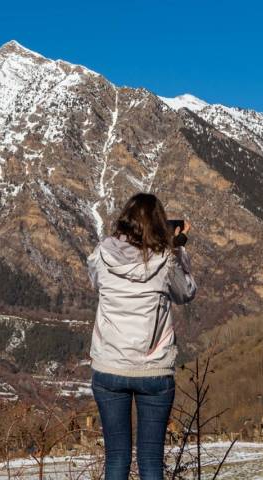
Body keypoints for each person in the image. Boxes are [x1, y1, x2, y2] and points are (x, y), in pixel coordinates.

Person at [87, 192, 197, 480]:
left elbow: (95, 281)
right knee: (150, 462)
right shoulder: (165, 260)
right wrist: (178, 248)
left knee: (116, 460)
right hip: (154, 372)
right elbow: (186, 292)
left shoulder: (102, 254)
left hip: (109, 367)